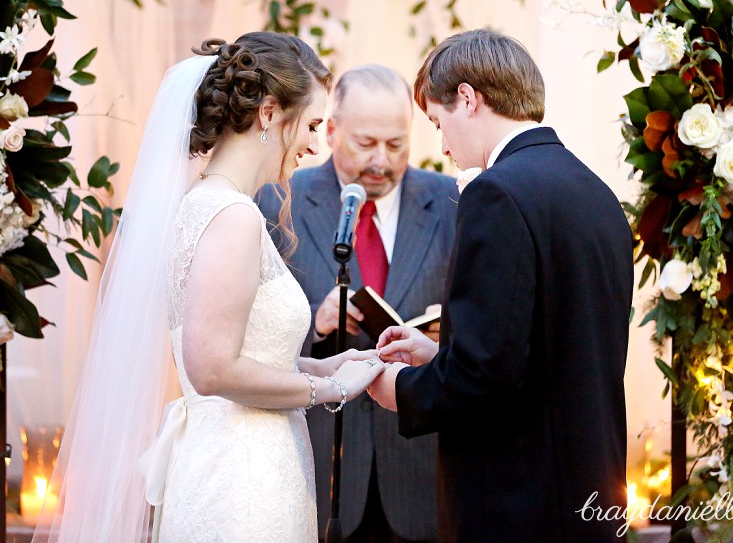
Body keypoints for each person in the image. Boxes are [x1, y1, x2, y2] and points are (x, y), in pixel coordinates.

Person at [33, 32, 385, 543]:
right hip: (240, 480)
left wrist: (324, 364)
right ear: (268, 113)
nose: (313, 144)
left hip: (242, 460)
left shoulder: (207, 204)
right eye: (310, 124)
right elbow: (212, 367)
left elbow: (237, 350)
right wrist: (328, 389)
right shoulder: (232, 217)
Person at [368, 29, 634, 542]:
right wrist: (437, 353)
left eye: (438, 122)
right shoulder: (595, 192)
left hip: (520, 498)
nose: (442, 144)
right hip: (591, 485)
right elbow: (544, 345)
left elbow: (485, 375)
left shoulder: (497, 193)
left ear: (467, 98)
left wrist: (394, 388)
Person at [258, 65, 458, 542]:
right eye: (366, 143)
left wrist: (441, 336)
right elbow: (252, 331)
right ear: (329, 131)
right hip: (322, 460)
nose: (382, 161)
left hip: (418, 465)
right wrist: (318, 324)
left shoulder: (452, 201)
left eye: (396, 144)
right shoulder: (278, 200)